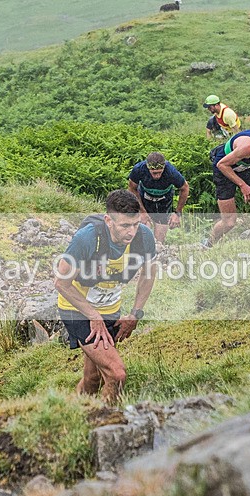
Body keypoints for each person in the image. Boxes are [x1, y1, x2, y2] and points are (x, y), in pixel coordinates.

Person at [55, 190, 157, 404]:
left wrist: (135, 313)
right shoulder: (87, 238)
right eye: (124, 226)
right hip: (78, 310)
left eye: (135, 224)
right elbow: (61, 283)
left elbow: (149, 274)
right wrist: (93, 316)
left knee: (93, 379)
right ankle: (107, 425)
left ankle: (69, 414)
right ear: (108, 220)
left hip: (110, 309)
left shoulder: (144, 237)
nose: (131, 232)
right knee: (116, 374)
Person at [127, 152, 190, 243]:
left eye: (160, 172)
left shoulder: (171, 172)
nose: (157, 176)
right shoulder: (139, 169)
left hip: (164, 201)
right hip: (144, 198)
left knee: (159, 241)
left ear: (164, 168)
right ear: (148, 168)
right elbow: (132, 189)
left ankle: (157, 251)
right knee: (143, 230)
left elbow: (185, 188)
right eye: (154, 173)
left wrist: (177, 213)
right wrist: (142, 212)